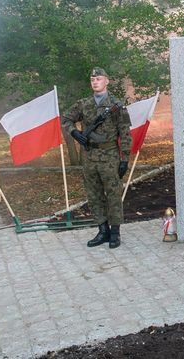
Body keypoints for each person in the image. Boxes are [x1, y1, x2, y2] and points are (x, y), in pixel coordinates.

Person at [62, 67, 132, 249]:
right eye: (92, 79)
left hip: (110, 156)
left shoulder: (116, 105)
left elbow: (125, 134)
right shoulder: (83, 104)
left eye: (99, 79)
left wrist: (125, 159)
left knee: (113, 195)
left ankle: (115, 232)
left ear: (107, 81)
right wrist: (75, 133)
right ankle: (102, 231)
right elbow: (66, 119)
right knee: (93, 195)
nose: (95, 82)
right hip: (89, 157)